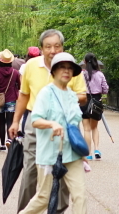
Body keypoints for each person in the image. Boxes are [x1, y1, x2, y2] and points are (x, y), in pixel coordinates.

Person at [9, 29, 88, 213]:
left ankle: (58, 210)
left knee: (77, 193)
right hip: (38, 125)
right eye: (48, 46)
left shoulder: (70, 87)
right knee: (32, 176)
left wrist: (81, 146)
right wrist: (15, 121)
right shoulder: (32, 68)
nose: (53, 50)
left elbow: (81, 101)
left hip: (67, 139)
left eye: (57, 46)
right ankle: (24, 209)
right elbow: (24, 96)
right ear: (41, 49)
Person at [0, 49, 21, 151]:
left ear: (0, 61)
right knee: (10, 122)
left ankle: (2, 144)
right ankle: (10, 141)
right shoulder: (15, 72)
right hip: (11, 99)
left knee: (1, 122)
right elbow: (20, 85)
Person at [80, 53, 108, 161]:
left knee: (86, 129)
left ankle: (88, 153)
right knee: (94, 127)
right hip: (96, 102)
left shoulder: (82, 75)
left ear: (85, 62)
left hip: (84, 101)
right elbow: (105, 89)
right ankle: (97, 150)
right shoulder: (100, 74)